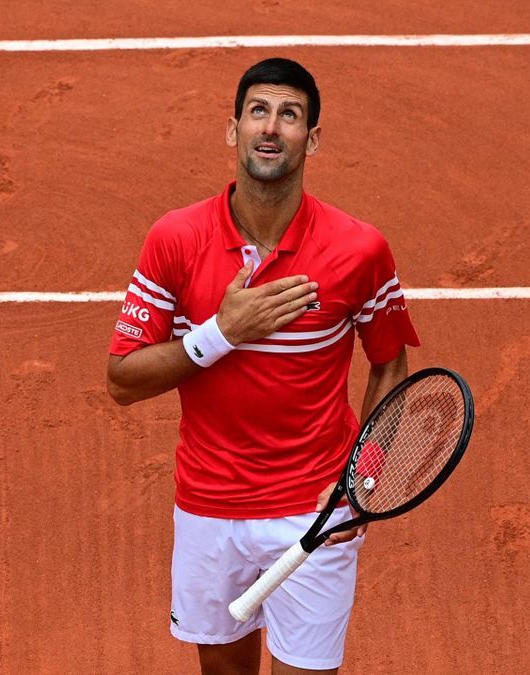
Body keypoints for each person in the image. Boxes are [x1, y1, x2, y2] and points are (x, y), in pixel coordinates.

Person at [106, 58, 420, 675]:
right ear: (234, 130)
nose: (271, 128)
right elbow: (121, 380)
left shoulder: (360, 250)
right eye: (258, 112)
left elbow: (389, 366)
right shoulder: (175, 238)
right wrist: (220, 334)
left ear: (313, 138)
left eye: (290, 114)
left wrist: (364, 485)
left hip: (317, 505)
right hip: (208, 505)